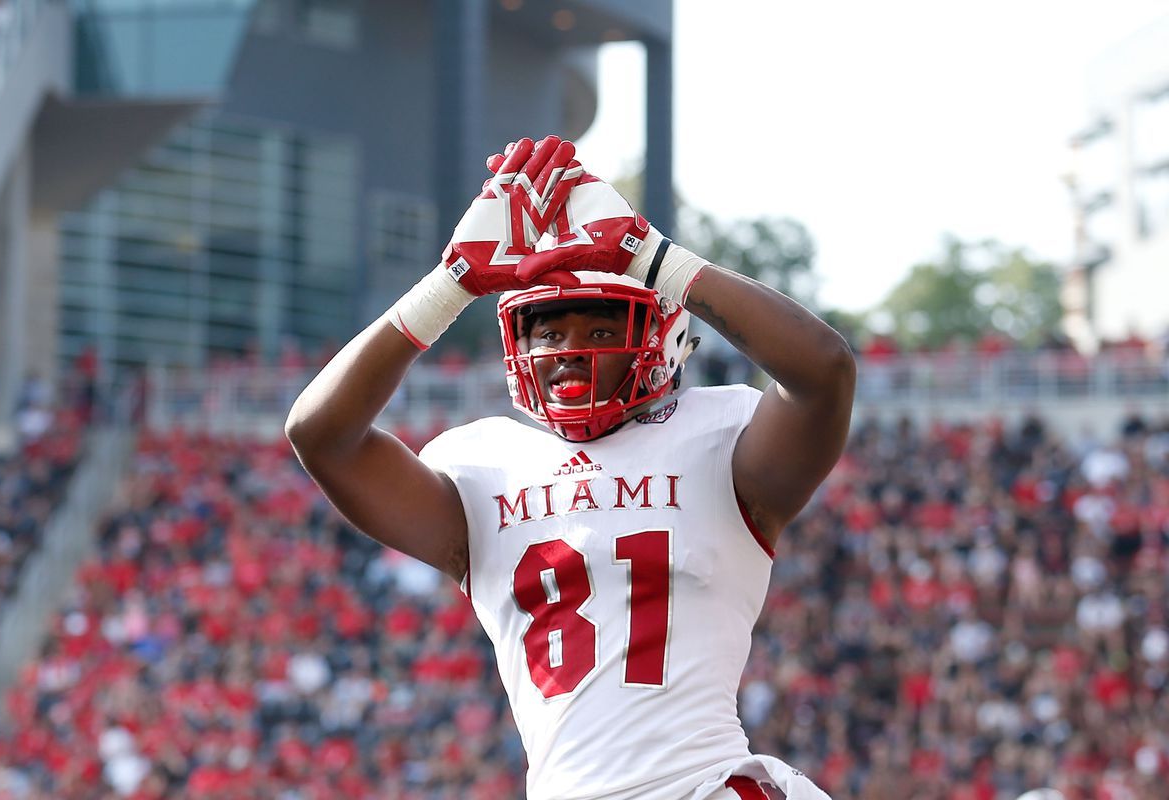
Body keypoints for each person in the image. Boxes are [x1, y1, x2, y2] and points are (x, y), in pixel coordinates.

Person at [286, 135, 856, 799]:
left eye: (601, 328)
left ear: (661, 337)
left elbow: (824, 370)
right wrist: (449, 285)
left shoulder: (721, 436)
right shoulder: (480, 465)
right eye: (549, 331)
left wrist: (646, 254)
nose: (568, 351)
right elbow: (318, 434)